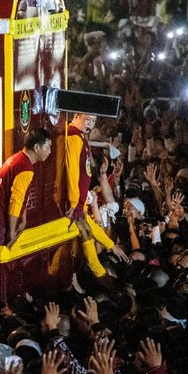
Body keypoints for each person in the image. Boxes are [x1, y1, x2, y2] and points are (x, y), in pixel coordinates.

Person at [62, 113, 128, 275]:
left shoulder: (81, 137)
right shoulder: (73, 137)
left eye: (93, 121)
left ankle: (99, 272)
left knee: (87, 229)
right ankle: (98, 273)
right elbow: (72, 172)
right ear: (76, 116)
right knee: (85, 230)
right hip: (75, 200)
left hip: (80, 200)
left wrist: (112, 246)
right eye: (87, 120)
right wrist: (74, 202)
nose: (90, 124)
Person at [0, 127, 53, 246]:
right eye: (47, 147)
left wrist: (23, 218)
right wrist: (11, 232)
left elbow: (19, 196)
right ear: (37, 147)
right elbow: (15, 200)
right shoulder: (25, 168)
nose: (50, 151)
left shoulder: (17, 159)